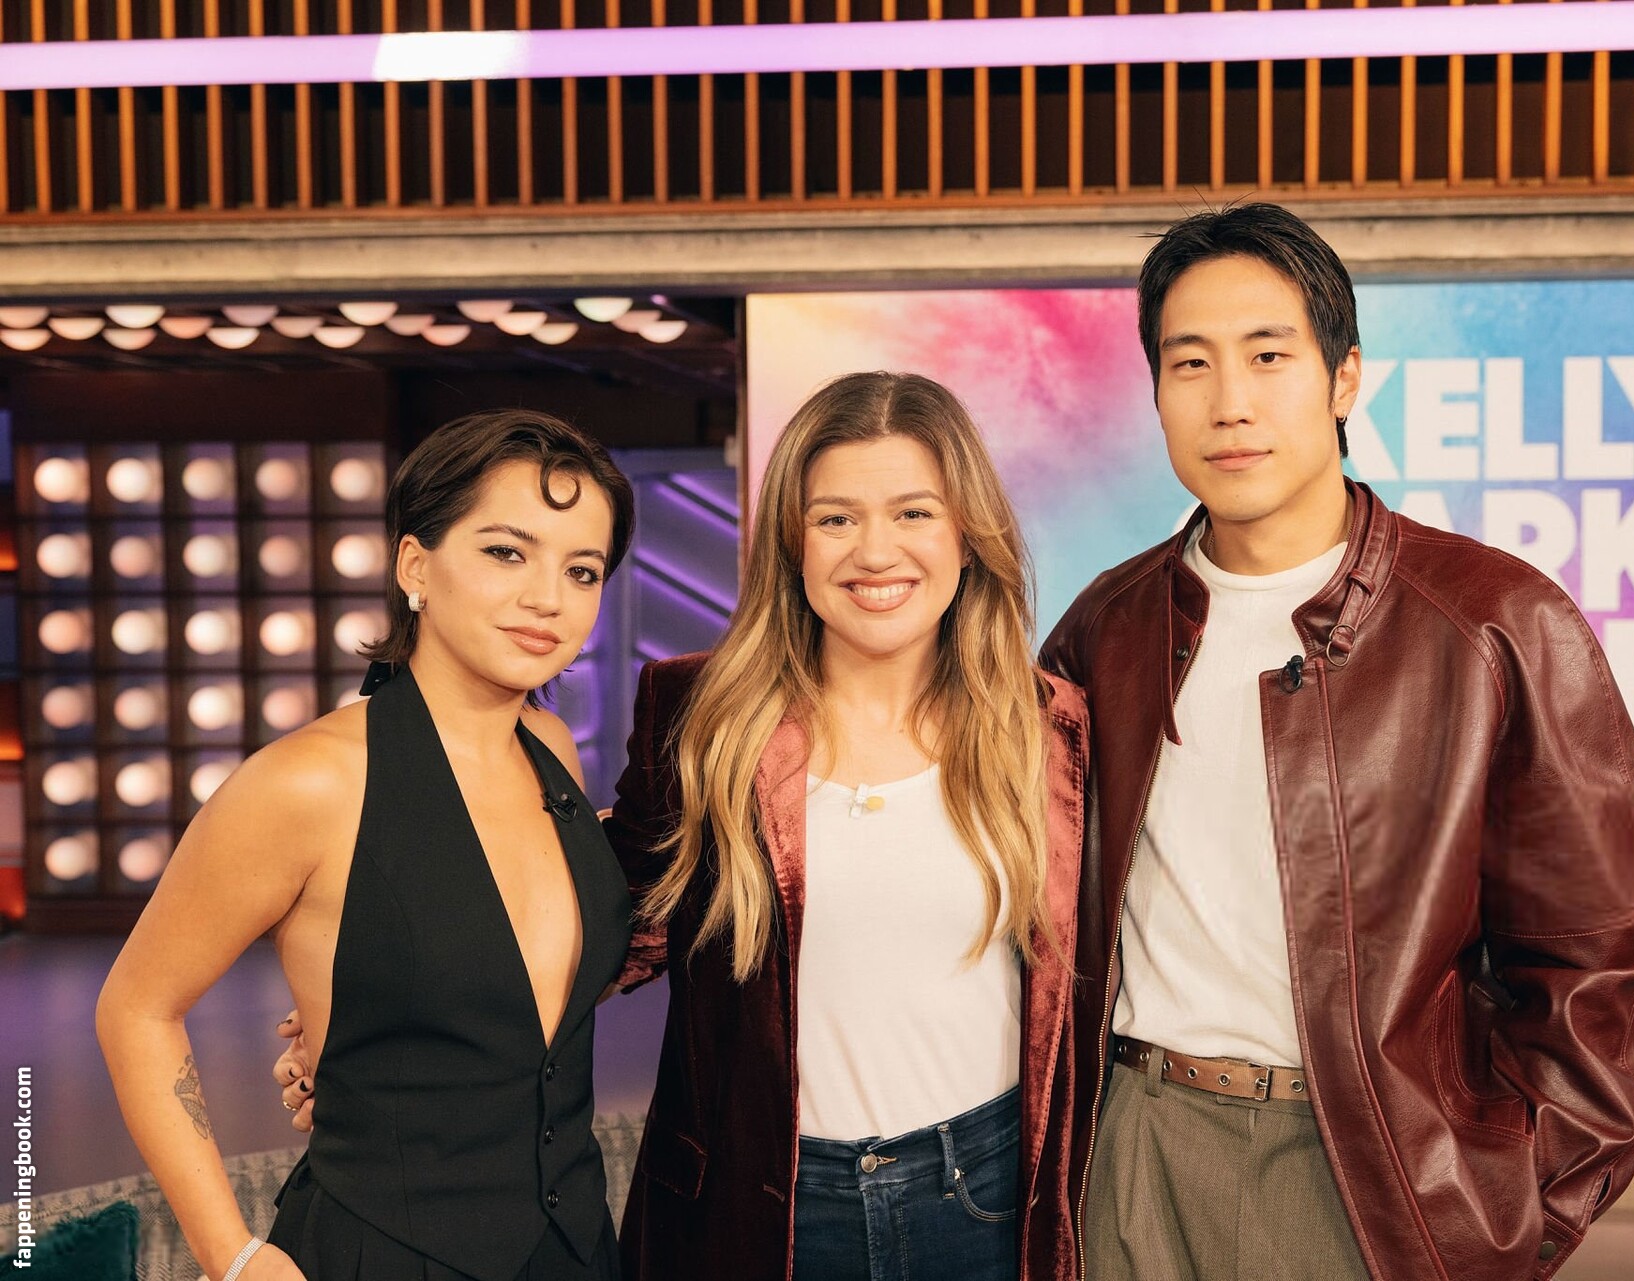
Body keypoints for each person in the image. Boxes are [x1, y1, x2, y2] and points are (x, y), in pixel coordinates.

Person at [1041, 203, 1634, 1281]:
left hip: (1374, 1172)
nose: (1230, 401)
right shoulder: (1106, 627)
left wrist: (1511, 1207)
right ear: (1155, 393)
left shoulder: (1496, 623)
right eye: (1190, 363)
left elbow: (1602, 953)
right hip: (1136, 1145)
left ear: (1343, 379)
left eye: (1269, 355)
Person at [97, 410, 638, 1281]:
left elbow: (519, 984)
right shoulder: (307, 782)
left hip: (575, 1246)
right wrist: (233, 1256)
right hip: (384, 1252)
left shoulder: (553, 751)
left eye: (582, 570)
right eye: (507, 552)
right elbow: (136, 1007)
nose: (549, 597)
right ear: (415, 565)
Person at [607, 371, 1089, 1281]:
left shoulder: (1050, 729)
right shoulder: (699, 716)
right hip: (765, 1206)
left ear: (966, 535)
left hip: (984, 1197)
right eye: (835, 518)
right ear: (792, 542)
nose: (875, 551)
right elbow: (601, 935)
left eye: (913, 513)